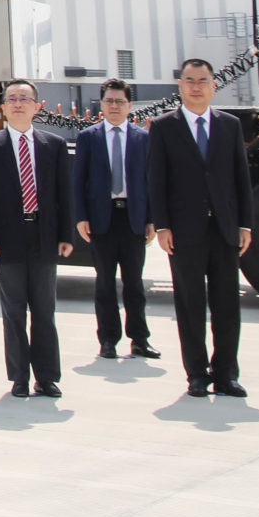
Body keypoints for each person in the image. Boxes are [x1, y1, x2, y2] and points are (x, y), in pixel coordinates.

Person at [145, 58, 255, 397]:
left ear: (213, 85)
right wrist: (162, 225)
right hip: (184, 231)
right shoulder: (164, 126)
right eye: (189, 80)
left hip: (224, 229)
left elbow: (241, 177)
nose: (196, 86)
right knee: (190, 304)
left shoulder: (229, 125)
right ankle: (196, 374)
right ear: (180, 86)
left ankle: (226, 374)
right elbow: (156, 179)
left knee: (227, 305)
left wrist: (245, 224)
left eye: (202, 80)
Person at [0, 81, 74, 398]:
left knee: (44, 311)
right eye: (11, 99)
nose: (17, 103)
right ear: (2, 107)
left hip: (44, 235)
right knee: (13, 312)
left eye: (24, 99)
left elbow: (63, 195)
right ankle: (19, 377)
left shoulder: (53, 145)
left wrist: (65, 235)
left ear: (36, 106)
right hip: (7, 238)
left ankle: (47, 376)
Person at [68, 79, 159, 362]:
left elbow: (151, 182)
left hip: (132, 217)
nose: (115, 106)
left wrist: (152, 219)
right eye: (109, 101)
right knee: (105, 283)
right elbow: (78, 181)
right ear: (102, 105)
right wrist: (81, 217)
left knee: (134, 283)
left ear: (130, 105)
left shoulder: (142, 138)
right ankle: (108, 339)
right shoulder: (89, 137)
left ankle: (140, 339)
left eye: (120, 101)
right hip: (101, 219)